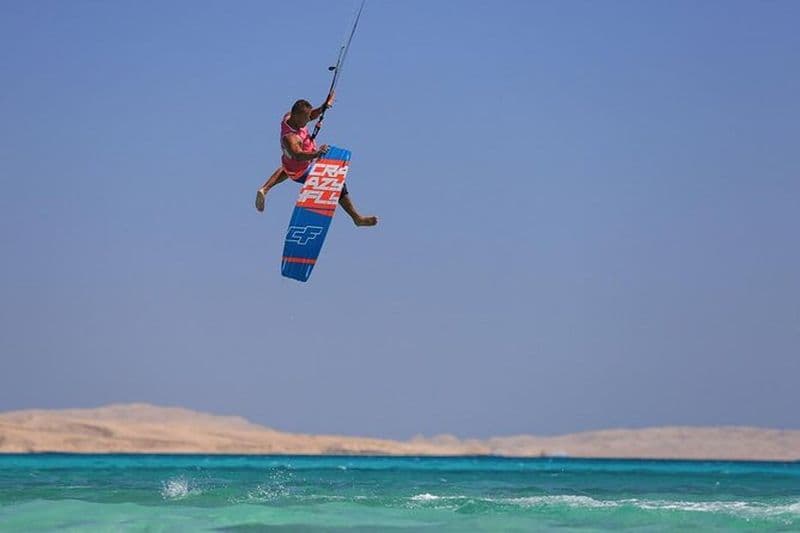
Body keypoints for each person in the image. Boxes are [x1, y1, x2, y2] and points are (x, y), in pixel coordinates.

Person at [255, 92, 378, 227]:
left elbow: (311, 114)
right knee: (337, 182)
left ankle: (265, 189)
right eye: (305, 118)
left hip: (289, 164)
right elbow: (298, 155)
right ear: (296, 116)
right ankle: (357, 218)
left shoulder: (289, 117)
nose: (308, 120)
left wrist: (324, 106)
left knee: (286, 168)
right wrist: (316, 153)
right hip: (300, 169)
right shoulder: (291, 138)